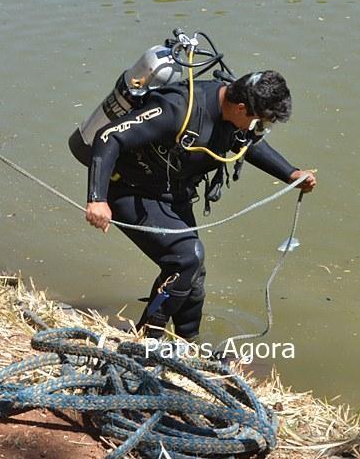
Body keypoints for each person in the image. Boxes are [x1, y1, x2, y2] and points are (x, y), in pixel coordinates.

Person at [75, 70, 316, 340]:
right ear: (241, 108)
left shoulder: (237, 115)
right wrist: (97, 199)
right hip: (129, 190)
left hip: (171, 192)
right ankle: (146, 341)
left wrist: (290, 173)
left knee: (193, 273)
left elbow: (247, 143)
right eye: (258, 122)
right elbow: (109, 136)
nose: (258, 128)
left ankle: (189, 344)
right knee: (185, 259)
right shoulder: (177, 109)